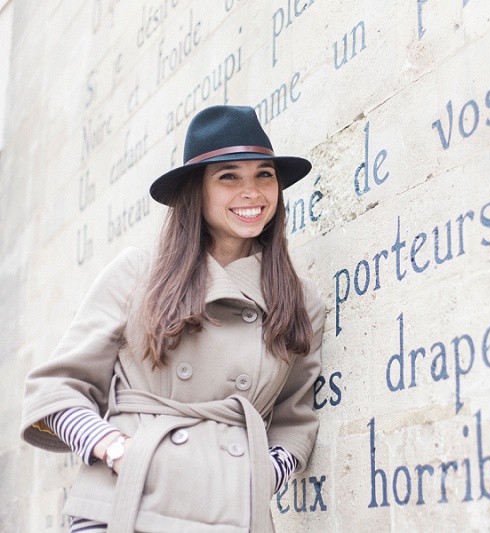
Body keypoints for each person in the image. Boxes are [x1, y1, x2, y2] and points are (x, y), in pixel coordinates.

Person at [20, 105, 325, 533]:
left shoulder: (298, 299)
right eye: (229, 177)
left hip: (232, 510)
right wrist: (112, 447)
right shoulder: (138, 273)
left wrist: (262, 475)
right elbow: (55, 388)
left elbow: (295, 417)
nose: (252, 192)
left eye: (264, 175)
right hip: (125, 500)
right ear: (195, 192)